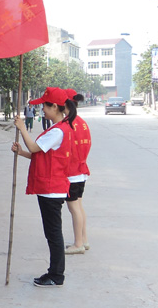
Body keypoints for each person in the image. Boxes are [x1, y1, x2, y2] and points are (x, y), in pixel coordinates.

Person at [11, 87, 77, 288]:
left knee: (53, 234)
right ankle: (55, 273)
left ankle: (56, 275)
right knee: (52, 232)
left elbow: (35, 147)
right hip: (51, 186)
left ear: (55, 107)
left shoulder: (58, 130)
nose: (42, 110)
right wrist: (21, 152)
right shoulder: (58, 128)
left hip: (52, 188)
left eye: (44, 107)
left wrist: (22, 128)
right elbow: (39, 154)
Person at [63, 89, 92, 255]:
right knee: (79, 207)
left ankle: (78, 244)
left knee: (74, 209)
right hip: (81, 170)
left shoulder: (68, 124)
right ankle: (84, 240)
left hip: (72, 172)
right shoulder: (81, 122)